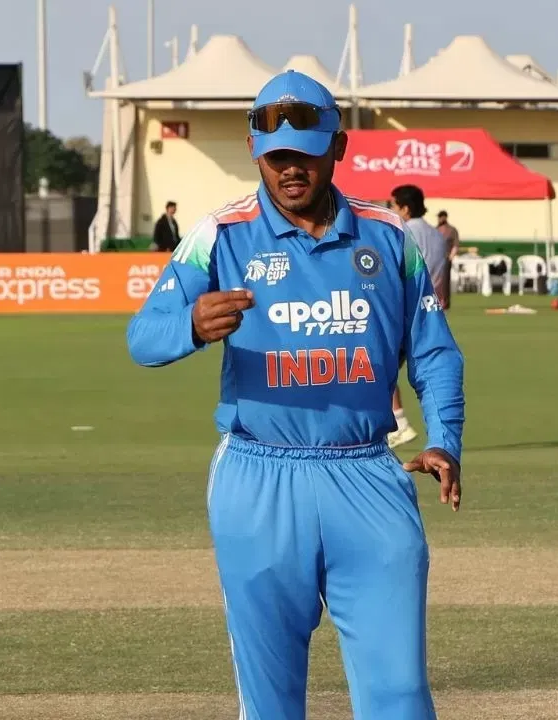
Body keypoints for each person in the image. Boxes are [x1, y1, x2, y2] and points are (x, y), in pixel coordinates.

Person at [126, 70, 464, 720]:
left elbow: (434, 351)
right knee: (272, 702)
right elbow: (143, 338)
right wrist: (189, 325)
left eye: (305, 155)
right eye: (276, 156)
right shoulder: (220, 235)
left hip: (367, 476)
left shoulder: (388, 237)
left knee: (400, 696)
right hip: (258, 479)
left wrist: (445, 438)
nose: (290, 171)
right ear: (254, 151)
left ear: (337, 148)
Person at [387, 184, 452, 449]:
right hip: (430, 310)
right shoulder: (437, 235)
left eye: (392, 205)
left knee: (376, 367)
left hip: (404, 310)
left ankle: (399, 423)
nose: (390, 210)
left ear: (404, 208)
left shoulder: (402, 231)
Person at [436, 210, 461, 308]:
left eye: (441, 217)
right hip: (436, 258)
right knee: (436, 280)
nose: (439, 219)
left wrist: (451, 256)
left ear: (445, 217)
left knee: (445, 281)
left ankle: (445, 302)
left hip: (446, 258)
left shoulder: (452, 230)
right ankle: (437, 300)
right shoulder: (435, 229)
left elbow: (456, 244)